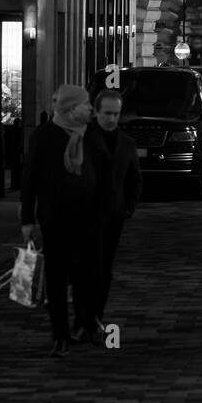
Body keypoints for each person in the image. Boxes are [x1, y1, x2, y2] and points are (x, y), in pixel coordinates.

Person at [20, 84, 99, 357]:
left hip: (87, 219)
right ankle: (60, 336)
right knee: (55, 280)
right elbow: (29, 180)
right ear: (70, 109)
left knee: (84, 277)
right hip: (54, 219)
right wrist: (27, 220)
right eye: (85, 104)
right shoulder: (44, 136)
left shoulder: (91, 136)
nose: (90, 109)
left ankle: (84, 324)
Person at [85, 88, 142, 325]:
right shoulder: (83, 139)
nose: (111, 118)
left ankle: (96, 316)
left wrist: (128, 208)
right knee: (87, 269)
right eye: (107, 113)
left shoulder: (126, 143)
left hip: (113, 214)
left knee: (104, 268)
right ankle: (85, 319)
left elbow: (134, 179)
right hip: (85, 215)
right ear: (96, 113)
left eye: (116, 114)